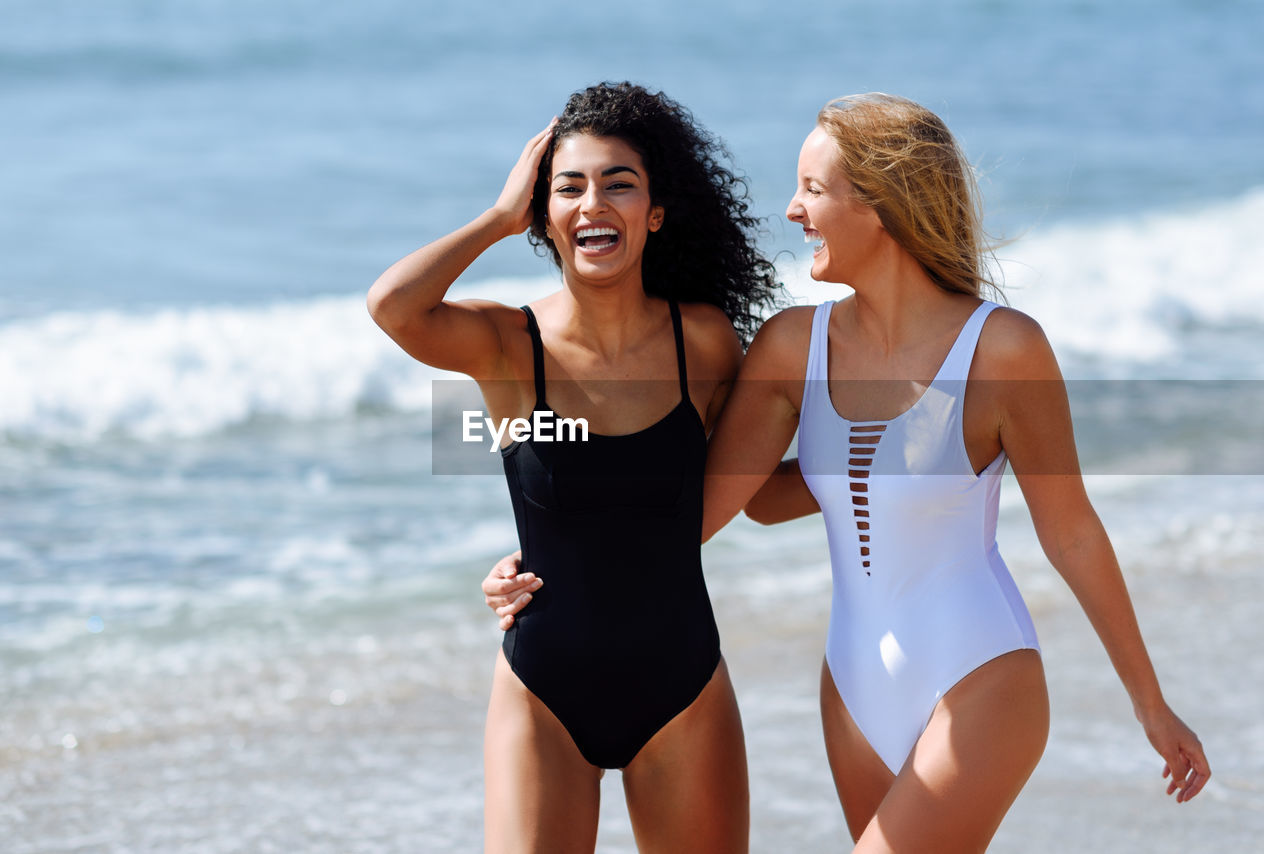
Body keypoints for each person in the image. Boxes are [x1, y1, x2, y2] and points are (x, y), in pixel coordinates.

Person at [483, 93, 1211, 851]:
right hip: (853, 687)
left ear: (882, 203)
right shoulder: (793, 348)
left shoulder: (1003, 352)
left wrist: (1149, 704)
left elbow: (1073, 536)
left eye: (812, 189)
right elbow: (727, 504)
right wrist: (551, 559)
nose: (793, 211)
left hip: (982, 671)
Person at [368, 82, 778, 854]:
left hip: (683, 685)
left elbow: (748, 484)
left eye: (619, 184)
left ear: (654, 212)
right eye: (569, 186)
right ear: (544, 216)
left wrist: (918, 460)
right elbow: (394, 307)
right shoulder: (507, 346)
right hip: (542, 693)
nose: (595, 202)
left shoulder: (707, 343)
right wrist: (495, 218)